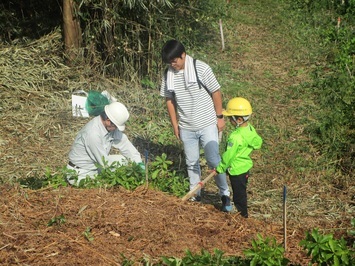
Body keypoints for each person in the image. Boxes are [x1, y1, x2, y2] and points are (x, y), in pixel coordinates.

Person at [160, 39, 232, 212]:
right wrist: (175, 124)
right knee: (191, 162)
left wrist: (220, 117)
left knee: (214, 160)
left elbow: (216, 92)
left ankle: (225, 194)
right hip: (186, 126)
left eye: (175, 60)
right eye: (170, 62)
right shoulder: (168, 74)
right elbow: (169, 100)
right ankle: (195, 193)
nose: (173, 64)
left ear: (183, 55)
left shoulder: (201, 68)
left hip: (207, 123)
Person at [67, 101, 144, 185]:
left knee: (125, 160)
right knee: (108, 190)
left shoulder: (109, 127)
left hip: (95, 167)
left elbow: (124, 143)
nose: (116, 129)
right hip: (80, 173)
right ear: (108, 121)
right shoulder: (93, 134)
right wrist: (123, 178)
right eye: (116, 126)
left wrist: (138, 163)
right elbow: (105, 164)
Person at [215, 97, 263, 218]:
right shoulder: (249, 129)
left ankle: (243, 217)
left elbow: (229, 156)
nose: (230, 120)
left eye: (231, 118)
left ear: (239, 119)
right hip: (245, 168)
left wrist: (220, 168)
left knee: (239, 196)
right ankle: (243, 214)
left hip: (236, 170)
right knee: (241, 192)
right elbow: (258, 143)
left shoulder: (235, 137)